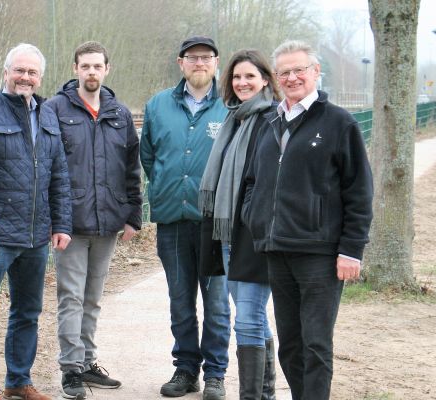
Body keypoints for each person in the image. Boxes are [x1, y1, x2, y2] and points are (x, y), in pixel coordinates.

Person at [241, 40, 373, 400]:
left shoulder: (339, 123)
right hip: (276, 250)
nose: (292, 77)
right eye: (284, 72)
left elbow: (359, 192)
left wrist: (351, 250)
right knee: (290, 344)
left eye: (300, 69)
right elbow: (253, 180)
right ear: (276, 78)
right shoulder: (269, 122)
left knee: (316, 343)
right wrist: (256, 219)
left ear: (316, 72)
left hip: (320, 253)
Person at [0, 43, 72, 400]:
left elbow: (59, 174)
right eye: (19, 70)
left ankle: (18, 382)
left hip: (37, 237)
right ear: (6, 71)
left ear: (40, 77)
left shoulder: (49, 114)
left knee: (28, 311)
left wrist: (61, 223)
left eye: (32, 72)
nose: (26, 77)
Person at [41, 41, 143, 400]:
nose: (91, 72)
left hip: (108, 221)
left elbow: (132, 167)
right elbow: (48, 167)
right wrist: (55, 220)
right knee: (71, 296)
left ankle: (87, 361)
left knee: (93, 297)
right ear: (75, 69)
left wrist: (133, 214)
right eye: (85, 66)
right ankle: (71, 369)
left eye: (97, 66)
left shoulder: (119, 113)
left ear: (107, 69)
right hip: (70, 223)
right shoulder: (55, 109)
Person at [140, 36, 231, 400]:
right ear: (180, 63)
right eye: (192, 57)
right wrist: (168, 185)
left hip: (216, 224)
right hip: (173, 220)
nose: (199, 63)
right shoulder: (158, 105)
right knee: (180, 300)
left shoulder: (230, 106)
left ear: (216, 62)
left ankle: (216, 373)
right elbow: (150, 157)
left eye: (206, 57)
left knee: (217, 302)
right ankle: (186, 369)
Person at [198, 49, 280, 400]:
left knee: (247, 315)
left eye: (250, 76)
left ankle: (255, 395)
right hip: (228, 234)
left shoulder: (274, 119)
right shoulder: (237, 119)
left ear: (265, 79)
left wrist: (249, 218)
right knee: (251, 313)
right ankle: (265, 393)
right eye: (236, 77)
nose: (242, 83)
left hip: (255, 233)